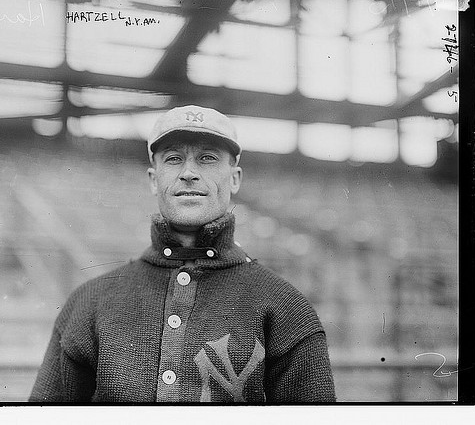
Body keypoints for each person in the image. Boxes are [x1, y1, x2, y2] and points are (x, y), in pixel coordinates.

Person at [29, 105, 336, 403]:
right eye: (174, 159)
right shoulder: (89, 302)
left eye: (208, 158)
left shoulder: (287, 309)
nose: (189, 172)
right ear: (153, 179)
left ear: (235, 178)